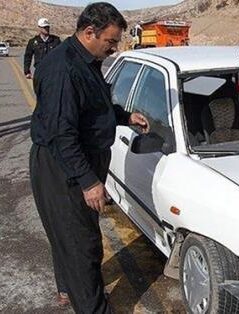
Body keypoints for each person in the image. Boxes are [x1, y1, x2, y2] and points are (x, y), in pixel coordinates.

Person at [29, 3, 149, 312]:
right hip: (63, 166)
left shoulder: (88, 60)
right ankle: (92, 307)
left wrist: (124, 116)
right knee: (82, 244)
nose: (114, 48)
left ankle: (68, 288)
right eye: (110, 41)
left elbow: (91, 109)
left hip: (78, 159)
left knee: (69, 234)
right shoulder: (63, 70)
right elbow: (61, 135)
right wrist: (88, 181)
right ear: (89, 32)